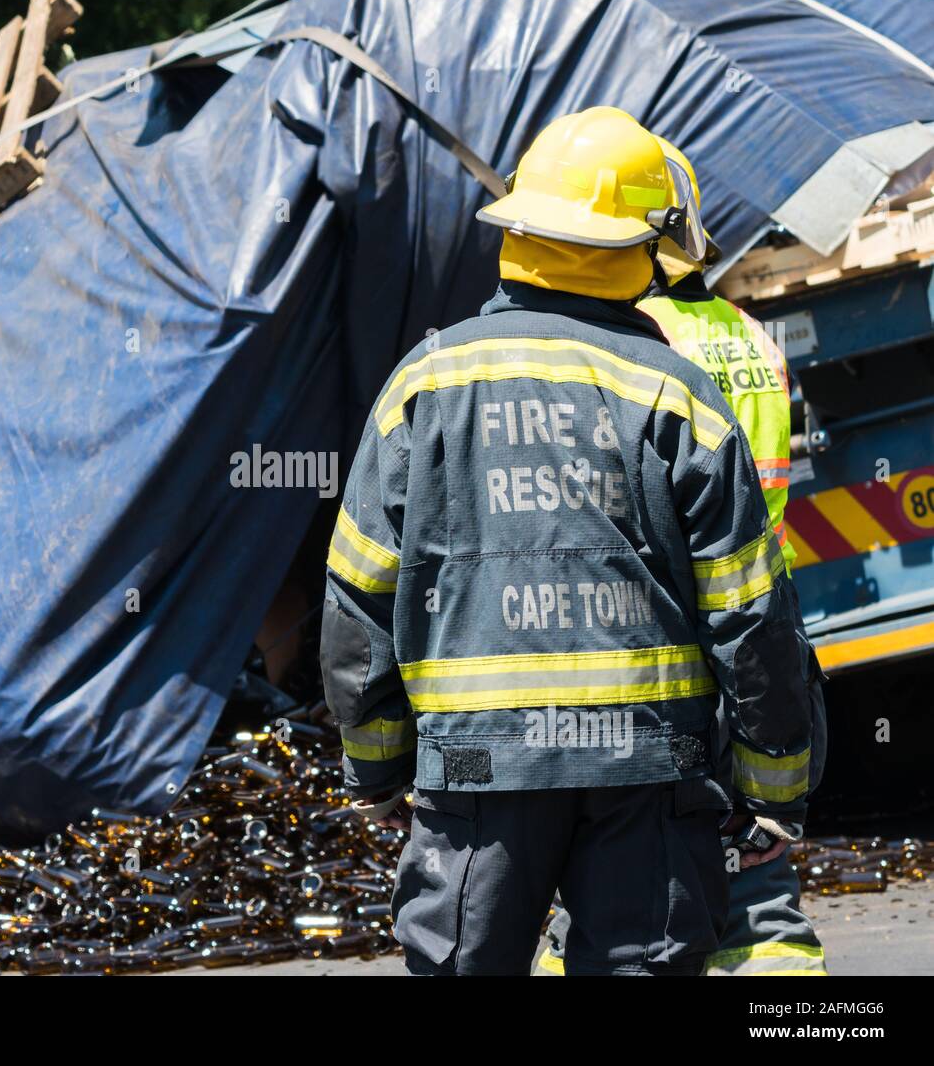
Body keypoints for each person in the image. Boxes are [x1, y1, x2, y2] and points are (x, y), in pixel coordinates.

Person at [319, 106, 815, 975]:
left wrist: (385, 767)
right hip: (648, 770)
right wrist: (773, 786)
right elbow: (752, 617)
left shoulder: (425, 387)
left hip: (474, 771)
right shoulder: (679, 395)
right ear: (641, 248)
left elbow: (357, 605)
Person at [540, 136, 828, 977]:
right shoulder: (745, 329)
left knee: (609, 898)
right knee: (761, 887)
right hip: (762, 617)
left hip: (667, 637)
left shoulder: (639, 338)